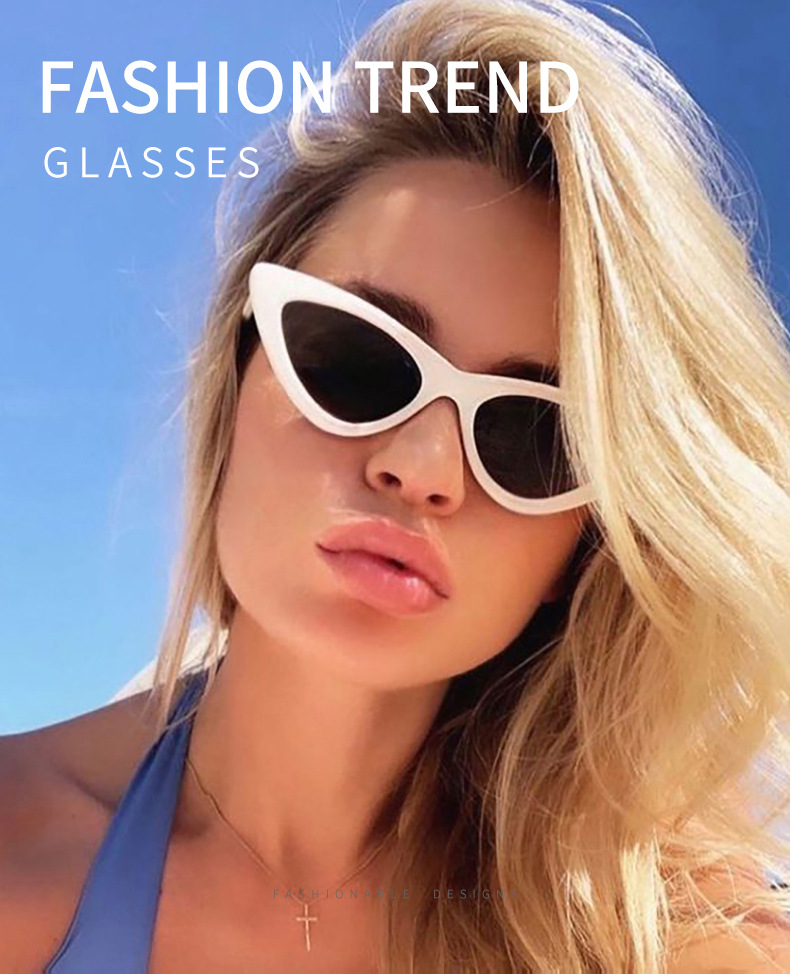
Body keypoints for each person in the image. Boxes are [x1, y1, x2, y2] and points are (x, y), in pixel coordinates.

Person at [3, 0, 790, 970]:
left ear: (585, 540)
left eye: (532, 432)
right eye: (358, 359)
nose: (421, 469)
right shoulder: (18, 846)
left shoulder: (664, 932)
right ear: (239, 376)